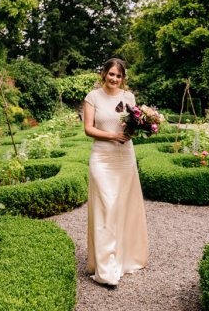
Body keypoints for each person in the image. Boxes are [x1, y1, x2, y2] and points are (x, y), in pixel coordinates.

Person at [83, 58, 148, 287]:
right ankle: (105, 267)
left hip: (125, 158)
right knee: (106, 207)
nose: (114, 79)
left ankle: (124, 256)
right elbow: (88, 129)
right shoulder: (93, 97)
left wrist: (136, 131)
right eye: (111, 74)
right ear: (103, 74)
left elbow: (133, 124)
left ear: (123, 78)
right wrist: (112, 136)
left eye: (118, 76)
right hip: (101, 158)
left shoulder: (129, 98)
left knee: (122, 207)